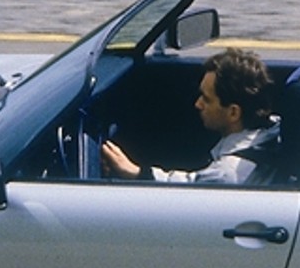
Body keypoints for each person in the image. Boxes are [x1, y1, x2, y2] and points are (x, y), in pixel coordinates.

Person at [101, 49, 278, 184]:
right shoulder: (271, 131)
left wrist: (136, 173)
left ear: (233, 112)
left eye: (207, 100)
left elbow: (187, 188)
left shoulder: (228, 174)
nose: (197, 104)